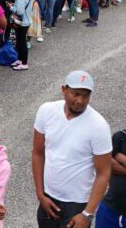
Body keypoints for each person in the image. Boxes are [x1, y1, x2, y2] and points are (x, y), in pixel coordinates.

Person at [32, 71, 112, 228]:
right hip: (48, 197)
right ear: (64, 89)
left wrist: (87, 214)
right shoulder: (46, 111)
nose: (80, 101)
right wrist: (40, 194)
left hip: (78, 204)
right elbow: (38, 153)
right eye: (75, 94)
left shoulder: (99, 126)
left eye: (85, 96)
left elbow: (103, 174)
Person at [9, 0, 34, 70]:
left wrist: (11, 7)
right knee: (20, 42)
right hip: (26, 21)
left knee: (22, 43)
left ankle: (24, 63)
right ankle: (19, 60)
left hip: (22, 23)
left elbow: (20, 12)